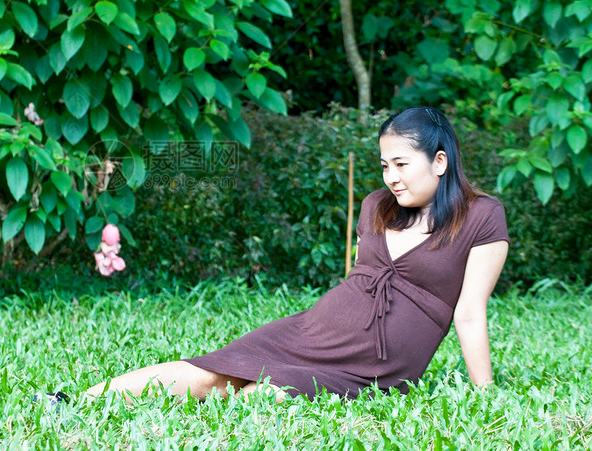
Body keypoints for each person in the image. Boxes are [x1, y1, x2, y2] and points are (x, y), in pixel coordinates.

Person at [84, 106, 510, 402]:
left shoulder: (482, 216)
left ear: (439, 161)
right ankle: (77, 400)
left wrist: (484, 394)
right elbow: (361, 283)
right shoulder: (376, 205)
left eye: (400, 164)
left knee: (260, 399)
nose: (390, 177)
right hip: (315, 330)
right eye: (384, 165)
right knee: (213, 372)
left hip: (376, 366)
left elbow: (469, 313)